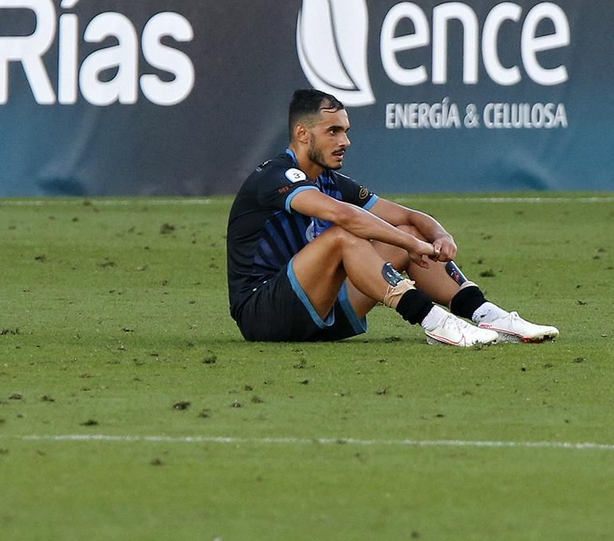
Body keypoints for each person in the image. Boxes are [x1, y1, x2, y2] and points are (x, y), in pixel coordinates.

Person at [226, 89, 558, 347]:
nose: (345, 141)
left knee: (407, 228)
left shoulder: (329, 180)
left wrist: (439, 235)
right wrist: (412, 245)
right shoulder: (275, 176)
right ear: (302, 134)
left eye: (346, 131)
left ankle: (488, 315)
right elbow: (343, 215)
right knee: (344, 236)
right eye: (333, 131)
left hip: (320, 313)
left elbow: (409, 216)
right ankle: (434, 322)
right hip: (263, 316)